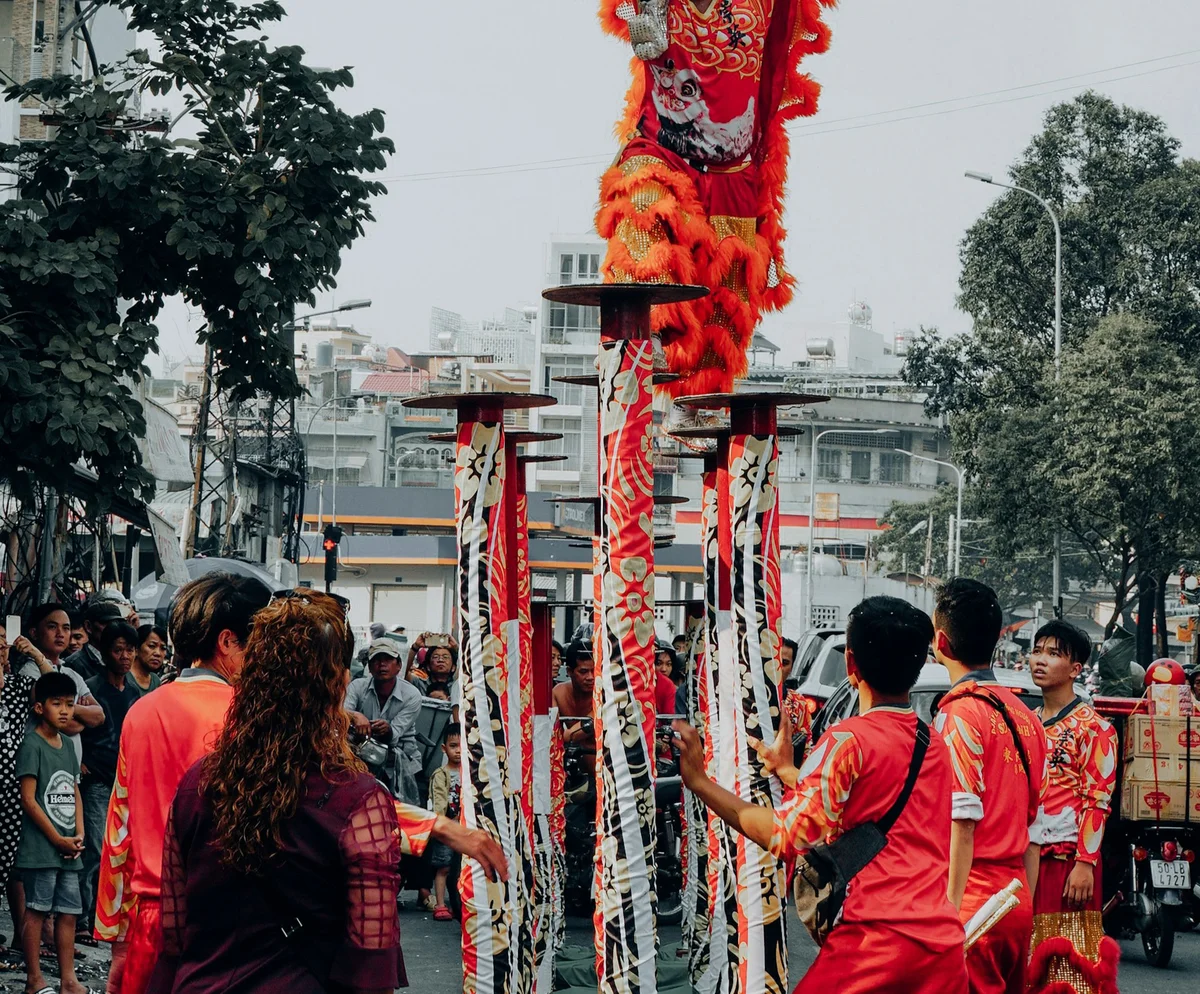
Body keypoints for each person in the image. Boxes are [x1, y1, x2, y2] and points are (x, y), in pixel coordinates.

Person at [147, 590, 506, 994]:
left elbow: (174, 932)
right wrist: (440, 827)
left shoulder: (197, 783)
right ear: (337, 686)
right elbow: (372, 963)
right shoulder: (357, 800)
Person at [673, 596, 968, 994]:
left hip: (874, 945)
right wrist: (790, 771)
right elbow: (867, 804)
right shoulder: (932, 742)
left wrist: (700, 782)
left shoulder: (847, 741)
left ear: (851, 664)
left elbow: (785, 835)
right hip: (941, 945)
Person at [94, 573, 272, 994]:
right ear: (228, 642)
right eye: (259, 643)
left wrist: (115, 935)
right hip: (221, 923)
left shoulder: (143, 710)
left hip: (149, 922)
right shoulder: (248, 715)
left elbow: (120, 830)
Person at [930, 579, 1048, 994]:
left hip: (972, 903)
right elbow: (1035, 832)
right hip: (1016, 903)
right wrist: (1025, 910)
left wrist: (946, 914)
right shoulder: (1029, 718)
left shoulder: (960, 715)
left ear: (939, 640)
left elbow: (961, 822)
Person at [1027, 621, 1119, 994]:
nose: (1039, 660)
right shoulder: (1027, 723)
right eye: (1037, 650)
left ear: (1076, 669)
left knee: (1069, 961)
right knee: (1027, 954)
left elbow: (1098, 800)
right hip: (1026, 857)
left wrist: (1085, 863)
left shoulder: (1095, 728)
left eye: (1053, 654)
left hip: (1068, 862)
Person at [16, 672, 86, 994]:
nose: (64, 711)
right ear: (39, 707)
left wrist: (79, 833)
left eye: (70, 705)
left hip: (69, 846)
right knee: (38, 909)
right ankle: (34, 980)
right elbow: (28, 800)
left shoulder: (69, 746)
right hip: (43, 847)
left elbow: (74, 792)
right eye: (56, 703)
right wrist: (56, 839)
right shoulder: (32, 744)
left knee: (69, 912)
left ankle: (68, 980)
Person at [79, 621, 141, 942]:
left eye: (130, 649)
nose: (125, 656)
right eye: (119, 649)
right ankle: (84, 920)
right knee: (93, 851)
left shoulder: (134, 692)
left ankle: (103, 917)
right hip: (98, 781)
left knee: (119, 852)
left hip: (126, 781)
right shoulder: (91, 689)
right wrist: (81, 761)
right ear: (106, 653)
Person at [0, 633, 48, 955]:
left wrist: (34, 654)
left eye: (3, 639)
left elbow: (53, 686)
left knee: (3, 863)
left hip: (9, 791)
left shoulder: (17, 687)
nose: (2, 643)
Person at [17, 604, 105, 766]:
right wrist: (80, 713)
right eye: (52, 627)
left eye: (66, 628)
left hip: (69, 770)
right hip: (43, 766)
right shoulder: (29, 672)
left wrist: (69, 708)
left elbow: (99, 716)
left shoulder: (71, 673)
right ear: (34, 633)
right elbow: (69, 726)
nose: (60, 634)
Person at [345, 638, 424, 805]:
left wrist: (387, 730)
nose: (382, 665)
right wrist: (355, 716)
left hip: (401, 762)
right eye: (376, 660)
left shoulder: (412, 695)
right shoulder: (357, 686)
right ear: (369, 666)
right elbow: (340, 712)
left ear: (399, 665)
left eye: (387, 659)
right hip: (361, 760)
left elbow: (394, 735)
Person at [428, 725, 462, 922]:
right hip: (447, 827)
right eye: (453, 746)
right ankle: (440, 904)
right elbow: (439, 803)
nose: (458, 750)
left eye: (461, 746)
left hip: (465, 826)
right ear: (444, 748)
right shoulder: (440, 775)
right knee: (444, 866)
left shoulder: (471, 771)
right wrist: (443, 823)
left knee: (462, 867)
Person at [64, 600, 126, 682]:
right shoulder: (74, 664)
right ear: (88, 627)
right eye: (107, 624)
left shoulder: (121, 658)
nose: (113, 628)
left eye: (116, 624)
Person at [552, 640, 595, 745]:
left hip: (602, 759)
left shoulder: (604, 693)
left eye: (594, 671)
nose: (590, 677)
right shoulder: (558, 693)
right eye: (583, 672)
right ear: (569, 671)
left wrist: (565, 736)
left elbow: (571, 734)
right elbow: (551, 732)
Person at [130, 626, 166, 699]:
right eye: (152, 646)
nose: (158, 653)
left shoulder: (156, 681)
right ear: (136, 649)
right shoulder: (123, 678)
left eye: (163, 648)